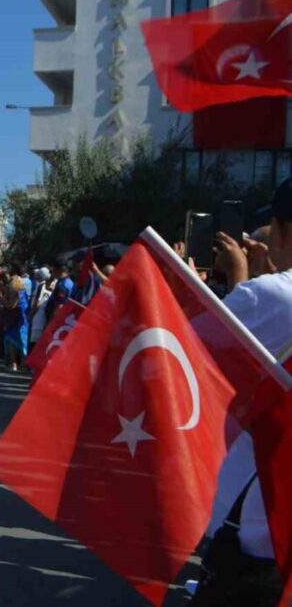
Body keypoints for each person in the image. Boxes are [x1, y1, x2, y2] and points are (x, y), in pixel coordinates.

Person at [191, 180, 292, 605]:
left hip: (256, 535)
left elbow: (185, 359)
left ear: (281, 228)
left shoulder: (269, 296)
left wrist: (239, 282)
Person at [0, 276, 29, 372]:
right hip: (24, 319)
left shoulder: (14, 292)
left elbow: (11, 305)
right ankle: (23, 364)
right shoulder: (23, 292)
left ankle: (14, 364)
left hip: (15, 318)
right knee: (23, 342)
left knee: (12, 341)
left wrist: (3, 298)